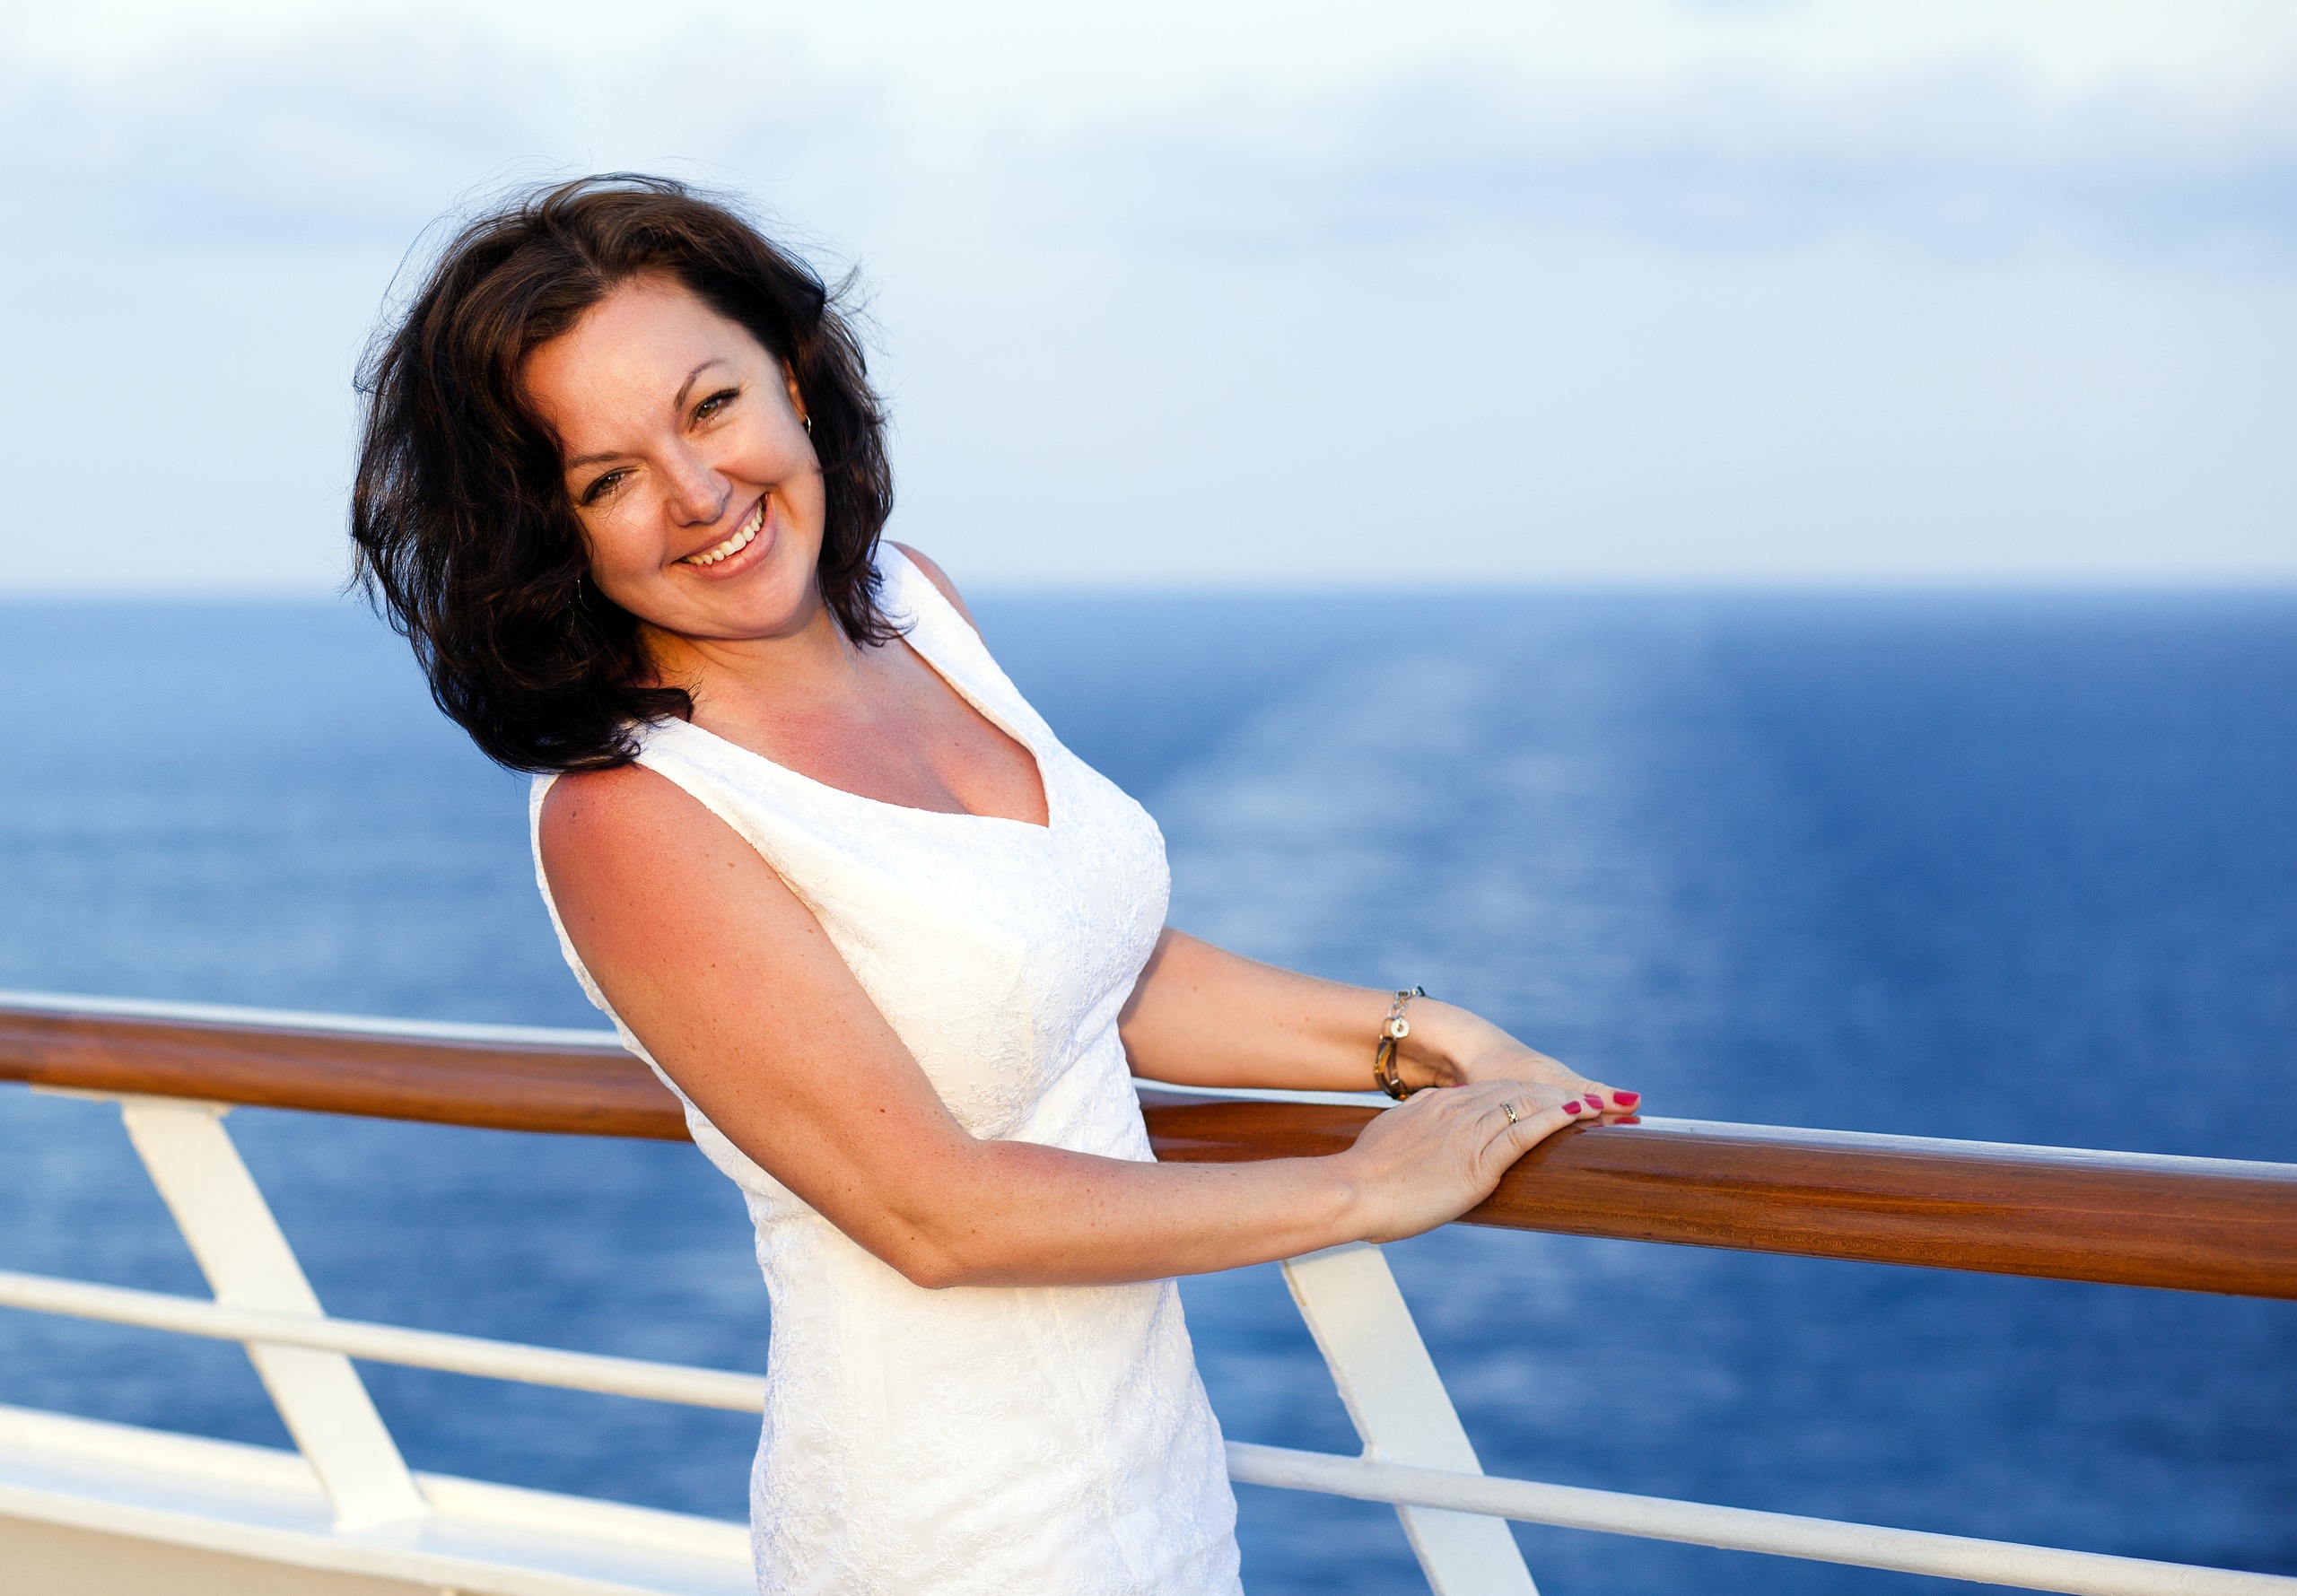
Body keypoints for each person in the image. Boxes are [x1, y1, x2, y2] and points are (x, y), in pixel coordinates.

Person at [352, 174, 1638, 1596]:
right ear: (552, 535)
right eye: (608, 479)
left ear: (791, 379)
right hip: (943, 1537)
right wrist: (1360, 1189)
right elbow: (933, 1213)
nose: (698, 493)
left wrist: (1428, 1038)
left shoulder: (914, 609)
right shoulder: (634, 813)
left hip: (1151, 1498)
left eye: (710, 407)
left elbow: (1077, 961)